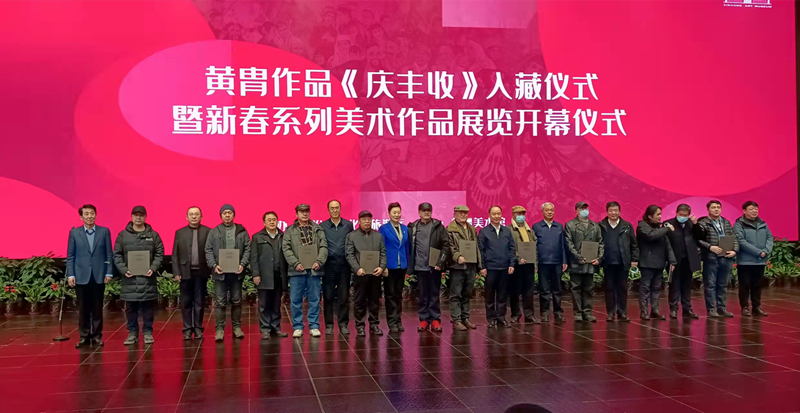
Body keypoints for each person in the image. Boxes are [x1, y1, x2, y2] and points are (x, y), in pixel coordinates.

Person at [114, 206, 165, 345]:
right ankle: (132, 333)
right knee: (131, 308)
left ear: (145, 217)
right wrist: (124, 269)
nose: (138, 218)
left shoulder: (153, 235)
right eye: (135, 215)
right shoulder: (122, 235)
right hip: (129, 279)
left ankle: (148, 332)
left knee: (148, 307)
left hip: (147, 278)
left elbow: (159, 254)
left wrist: (153, 268)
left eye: (141, 215)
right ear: (131, 217)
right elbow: (117, 255)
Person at [67, 204, 113, 348]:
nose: (89, 216)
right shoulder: (75, 233)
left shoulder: (104, 231)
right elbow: (70, 256)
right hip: (81, 276)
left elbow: (109, 254)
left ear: (96, 215)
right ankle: (84, 336)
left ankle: (97, 336)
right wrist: (70, 274)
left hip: (99, 275)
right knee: (83, 308)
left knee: (97, 308)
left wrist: (109, 271)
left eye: (92, 213)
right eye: (86, 214)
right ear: (81, 217)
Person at [204, 204, 251, 341]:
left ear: (234, 215)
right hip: (220, 273)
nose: (227, 215)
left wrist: (242, 264)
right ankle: (219, 330)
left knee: (237, 300)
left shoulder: (242, 231)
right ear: (221, 215)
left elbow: (248, 249)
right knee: (220, 302)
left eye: (230, 212)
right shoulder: (214, 232)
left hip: (237, 273)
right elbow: (208, 250)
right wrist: (214, 265)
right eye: (225, 213)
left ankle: (237, 327)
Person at [282, 204, 328, 338]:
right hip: (297, 271)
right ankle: (297, 326)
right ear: (296, 214)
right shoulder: (290, 231)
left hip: (314, 270)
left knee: (314, 299)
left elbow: (324, 246)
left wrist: (319, 261)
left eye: (307, 211)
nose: (305, 214)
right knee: (296, 300)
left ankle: (314, 326)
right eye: (301, 212)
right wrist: (295, 263)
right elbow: (286, 248)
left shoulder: (317, 229)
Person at [407, 202, 450, 332]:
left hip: (434, 267)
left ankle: (435, 319)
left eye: (428, 210)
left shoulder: (438, 227)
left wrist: (441, 262)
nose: (426, 212)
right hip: (420, 267)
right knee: (422, 295)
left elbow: (446, 246)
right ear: (419, 212)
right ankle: (424, 319)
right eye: (424, 210)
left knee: (434, 294)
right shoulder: (413, 227)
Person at [171, 206, 211, 340]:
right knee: (186, 302)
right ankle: (187, 329)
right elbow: (175, 255)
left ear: (201, 217)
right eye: (191, 214)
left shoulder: (208, 232)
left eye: (197, 214)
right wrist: (176, 272)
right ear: (186, 217)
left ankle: (198, 328)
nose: (194, 216)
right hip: (184, 272)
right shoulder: (180, 233)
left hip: (201, 272)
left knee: (199, 302)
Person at [346, 210, 388, 336]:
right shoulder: (352, 236)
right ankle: (360, 326)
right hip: (360, 274)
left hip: (375, 274)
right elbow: (349, 254)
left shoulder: (378, 236)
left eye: (369, 219)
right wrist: (357, 268)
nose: (367, 221)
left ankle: (374, 325)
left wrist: (381, 267)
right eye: (364, 219)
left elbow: (383, 253)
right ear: (359, 221)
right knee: (359, 301)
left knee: (374, 301)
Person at [697, 200, 739, 318]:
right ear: (708, 209)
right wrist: (710, 247)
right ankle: (711, 309)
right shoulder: (703, 223)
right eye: (713, 207)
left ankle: (721, 308)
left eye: (718, 207)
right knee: (710, 285)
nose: (716, 209)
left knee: (723, 284)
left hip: (726, 257)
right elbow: (698, 239)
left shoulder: (726, 222)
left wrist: (735, 250)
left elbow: (734, 237)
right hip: (711, 257)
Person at [251, 211, 290, 340]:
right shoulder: (257, 237)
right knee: (264, 304)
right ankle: (265, 329)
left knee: (276, 304)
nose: (272, 222)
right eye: (269, 220)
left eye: (274, 219)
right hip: (264, 276)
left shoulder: (283, 236)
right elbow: (254, 258)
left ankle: (276, 327)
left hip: (279, 275)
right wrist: (256, 274)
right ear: (264, 222)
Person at [598, 201, 638, 322]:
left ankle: (622, 313)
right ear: (607, 212)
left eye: (615, 210)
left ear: (620, 212)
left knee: (622, 289)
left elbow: (634, 244)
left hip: (622, 262)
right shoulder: (601, 226)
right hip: (608, 262)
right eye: (611, 211)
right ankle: (610, 313)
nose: (613, 213)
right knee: (609, 288)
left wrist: (634, 259)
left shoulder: (627, 226)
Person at [564, 202, 603, 323]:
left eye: (586, 208)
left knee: (589, 288)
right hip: (576, 263)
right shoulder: (570, 225)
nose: (584, 211)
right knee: (575, 288)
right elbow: (569, 243)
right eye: (581, 209)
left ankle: (587, 312)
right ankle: (578, 313)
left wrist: (599, 257)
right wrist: (578, 256)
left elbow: (601, 243)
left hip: (590, 263)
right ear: (576, 211)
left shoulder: (595, 226)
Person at [320, 200, 355, 335]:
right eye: (332, 208)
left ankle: (343, 324)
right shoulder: (322, 226)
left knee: (343, 297)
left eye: (337, 208)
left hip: (344, 266)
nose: (334, 210)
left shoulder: (348, 225)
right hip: (328, 266)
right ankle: (329, 325)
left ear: (340, 209)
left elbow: (351, 244)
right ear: (328, 210)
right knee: (328, 296)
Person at [636, 205, 675, 321]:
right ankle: (644, 311)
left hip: (659, 262)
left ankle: (655, 310)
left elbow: (667, 246)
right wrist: (667, 229)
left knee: (656, 288)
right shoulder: (642, 226)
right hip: (647, 263)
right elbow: (651, 235)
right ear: (649, 216)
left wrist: (672, 260)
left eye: (660, 214)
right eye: (657, 214)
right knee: (645, 288)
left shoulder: (660, 228)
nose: (660, 217)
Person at [478, 206, 515, 328]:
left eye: (498, 214)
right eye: (494, 214)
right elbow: (481, 251)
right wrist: (482, 267)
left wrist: (512, 264)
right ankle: (491, 318)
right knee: (489, 295)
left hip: (504, 267)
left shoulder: (507, 231)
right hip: (490, 268)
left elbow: (512, 248)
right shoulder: (484, 232)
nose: (496, 216)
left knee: (502, 295)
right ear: (489, 215)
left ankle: (501, 318)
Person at [734, 201, 773, 317]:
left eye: (756, 209)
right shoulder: (739, 224)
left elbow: (769, 237)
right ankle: (745, 307)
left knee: (757, 285)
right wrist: (758, 252)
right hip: (745, 261)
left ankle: (756, 307)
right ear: (744, 211)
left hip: (760, 261)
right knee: (744, 285)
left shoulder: (762, 223)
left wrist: (766, 250)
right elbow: (741, 241)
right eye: (751, 209)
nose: (754, 211)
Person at [664, 204, 702, 319]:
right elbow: (665, 243)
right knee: (674, 284)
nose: (683, 217)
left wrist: (696, 224)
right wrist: (669, 259)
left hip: (689, 259)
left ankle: (687, 308)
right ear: (676, 213)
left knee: (687, 284)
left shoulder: (692, 223)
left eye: (685, 215)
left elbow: (700, 236)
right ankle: (673, 308)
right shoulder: (668, 223)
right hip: (674, 260)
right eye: (680, 214)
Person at [532, 203, 568, 323]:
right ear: (542, 212)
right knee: (544, 290)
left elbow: (563, 245)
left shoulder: (559, 226)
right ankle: (545, 313)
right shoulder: (536, 227)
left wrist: (564, 261)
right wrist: (535, 263)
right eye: (547, 210)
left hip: (557, 262)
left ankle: (558, 313)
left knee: (557, 289)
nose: (549, 212)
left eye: (551, 210)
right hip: (543, 262)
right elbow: (534, 246)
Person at [447, 205, 482, 331]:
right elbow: (449, 246)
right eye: (460, 213)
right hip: (457, 266)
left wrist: (479, 265)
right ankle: (456, 319)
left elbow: (476, 247)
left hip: (471, 264)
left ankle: (465, 318)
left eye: (465, 213)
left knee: (467, 293)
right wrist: (458, 256)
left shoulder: (472, 228)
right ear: (454, 214)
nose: (463, 215)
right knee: (456, 294)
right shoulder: (450, 229)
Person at [379, 202, 410, 333]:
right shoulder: (384, 228)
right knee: (390, 295)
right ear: (389, 213)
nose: (397, 215)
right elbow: (381, 248)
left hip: (401, 266)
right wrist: (383, 266)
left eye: (398, 212)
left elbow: (407, 248)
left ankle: (398, 320)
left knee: (398, 295)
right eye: (394, 212)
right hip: (389, 267)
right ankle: (391, 321)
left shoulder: (405, 228)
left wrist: (407, 264)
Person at [508, 205, 539, 324]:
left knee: (529, 291)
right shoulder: (508, 230)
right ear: (513, 215)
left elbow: (535, 247)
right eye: (518, 214)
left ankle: (529, 315)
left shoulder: (529, 230)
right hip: (516, 265)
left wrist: (535, 263)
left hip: (529, 265)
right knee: (514, 291)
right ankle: (515, 314)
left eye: (523, 214)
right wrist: (518, 258)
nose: (521, 216)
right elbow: (509, 247)